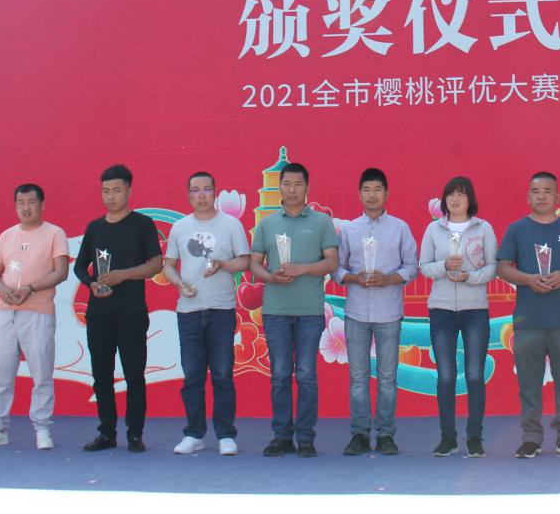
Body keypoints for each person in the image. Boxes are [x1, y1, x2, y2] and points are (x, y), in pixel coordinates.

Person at [496, 172, 560, 458]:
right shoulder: (517, 230)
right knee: (529, 384)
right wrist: (528, 279)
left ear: (557, 197)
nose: (541, 196)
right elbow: (502, 267)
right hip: (529, 322)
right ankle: (531, 438)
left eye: (547, 191)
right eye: (536, 191)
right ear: (528, 197)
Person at [249, 162, 339, 458]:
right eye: (286, 184)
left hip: (309, 311)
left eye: (298, 184)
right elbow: (254, 264)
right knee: (279, 374)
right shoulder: (268, 224)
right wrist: (270, 277)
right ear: (279, 187)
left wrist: (301, 269)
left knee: (306, 374)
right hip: (275, 310)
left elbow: (331, 263)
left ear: (307, 188)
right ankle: (282, 436)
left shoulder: (322, 222)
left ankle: (306, 437)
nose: (292, 190)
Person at [0, 183, 69, 450]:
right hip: (5, 313)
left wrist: (30, 288)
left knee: (41, 374)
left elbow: (61, 271)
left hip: (38, 312)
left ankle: (42, 428)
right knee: (2, 374)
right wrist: (2, 289)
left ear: (42, 205)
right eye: (21, 203)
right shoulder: (7, 235)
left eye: (31, 202)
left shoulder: (54, 233)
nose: (26, 208)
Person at [74, 164, 164, 452]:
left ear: (129, 191)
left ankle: (135, 433)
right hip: (98, 313)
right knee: (101, 375)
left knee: (134, 375)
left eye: (116, 190)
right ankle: (106, 433)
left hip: (131, 312)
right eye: (105, 191)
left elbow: (156, 264)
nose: (110, 196)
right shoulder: (94, 227)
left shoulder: (143, 224)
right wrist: (92, 284)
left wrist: (123, 275)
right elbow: (79, 267)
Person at [163, 171, 250, 456]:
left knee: (223, 374)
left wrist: (223, 265)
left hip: (221, 310)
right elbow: (168, 266)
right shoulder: (179, 228)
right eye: (195, 190)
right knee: (192, 376)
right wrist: (179, 284)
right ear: (188, 195)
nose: (201, 195)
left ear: (215, 192)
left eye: (206, 189)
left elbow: (244, 261)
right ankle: (194, 433)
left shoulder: (231, 225)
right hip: (188, 311)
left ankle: (226, 435)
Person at [335, 167, 419, 456]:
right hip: (356, 312)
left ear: (386, 194)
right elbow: (337, 268)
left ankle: (385, 434)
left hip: (389, 313)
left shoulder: (400, 228)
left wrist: (389, 278)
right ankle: (359, 434)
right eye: (367, 190)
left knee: (387, 379)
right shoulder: (349, 230)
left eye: (377, 190)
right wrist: (354, 278)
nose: (372, 195)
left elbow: (412, 266)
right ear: (359, 194)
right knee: (358, 379)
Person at [419, 175, 498, 458]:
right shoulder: (433, 229)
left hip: (475, 309)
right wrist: (443, 266)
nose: (455, 199)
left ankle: (475, 437)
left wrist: (470, 277)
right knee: (446, 375)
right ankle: (448, 438)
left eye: (461, 194)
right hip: (441, 309)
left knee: (475, 375)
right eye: (451, 194)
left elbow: (493, 267)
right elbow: (424, 266)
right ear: (444, 200)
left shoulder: (483, 228)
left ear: (470, 199)